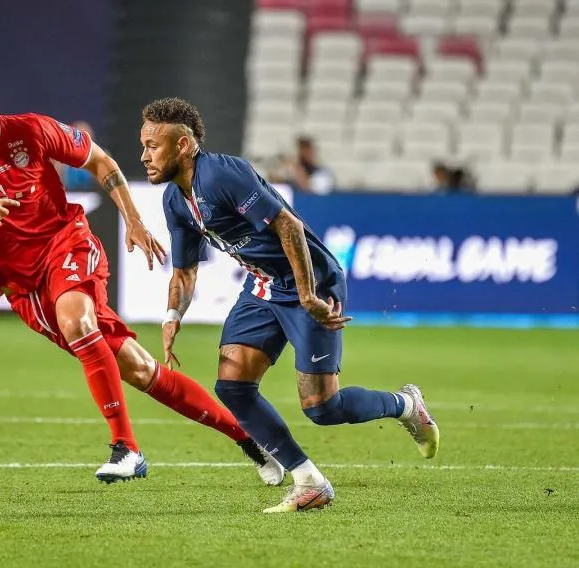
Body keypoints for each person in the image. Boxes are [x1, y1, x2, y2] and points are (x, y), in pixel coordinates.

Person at [0, 57, 285, 485]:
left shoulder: (33, 130)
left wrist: (133, 218)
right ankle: (248, 438)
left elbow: (101, 161)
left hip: (66, 242)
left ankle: (126, 448)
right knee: (140, 369)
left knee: (76, 319)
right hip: (22, 285)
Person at [140, 97, 440, 513]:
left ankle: (406, 405)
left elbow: (289, 226)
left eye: (153, 145)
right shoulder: (175, 200)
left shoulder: (223, 174)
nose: (145, 156)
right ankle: (309, 482)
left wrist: (307, 294)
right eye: (143, 145)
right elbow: (185, 271)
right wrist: (173, 315)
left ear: (184, 145)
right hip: (263, 286)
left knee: (322, 408)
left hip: (309, 282)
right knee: (233, 386)